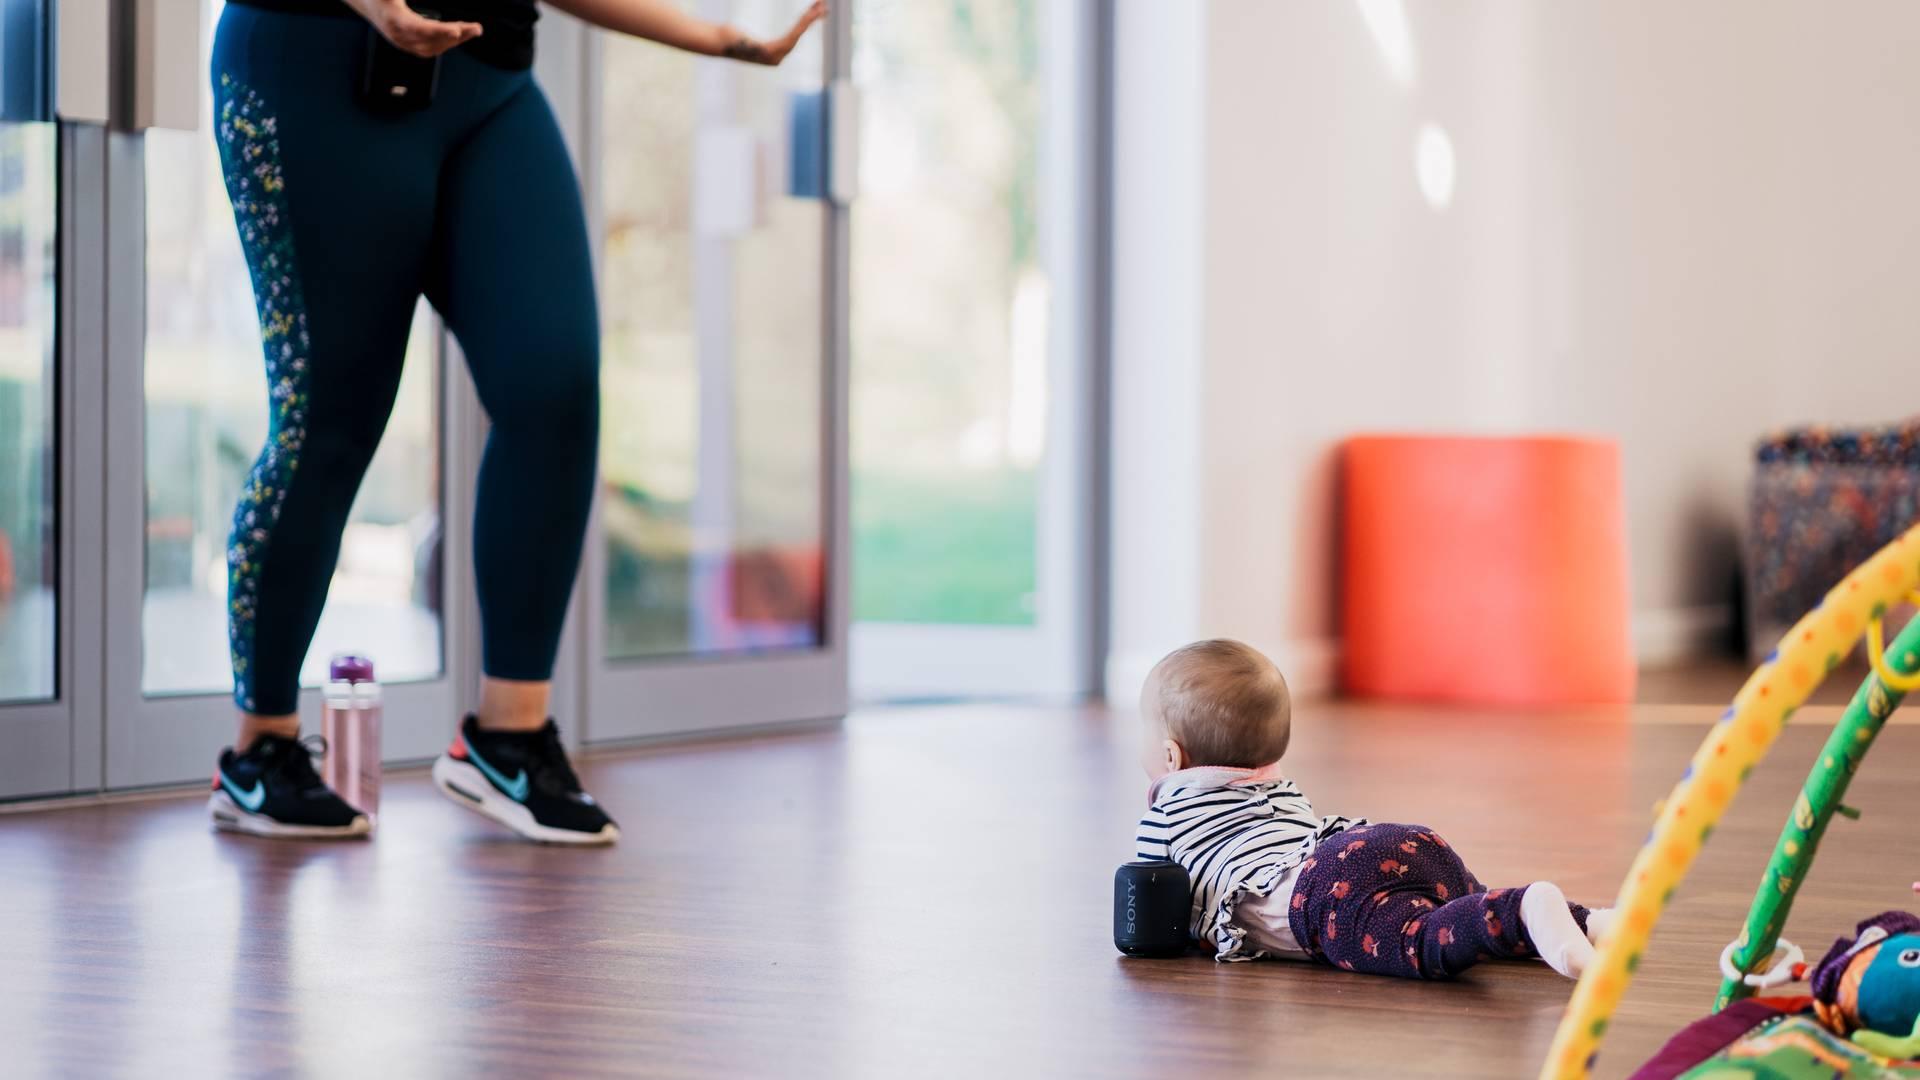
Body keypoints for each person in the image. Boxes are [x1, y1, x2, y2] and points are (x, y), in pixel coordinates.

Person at [204, 0, 827, 843]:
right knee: (331, 419)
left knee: (555, 387)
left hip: (490, 86)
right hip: (312, 60)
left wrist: (716, 35)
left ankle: (507, 736)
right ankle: (261, 750)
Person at [1131, 639, 1613, 978]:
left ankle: (1526, 907)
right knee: (1462, 900)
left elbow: (1150, 910)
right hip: (1378, 843)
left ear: (1172, 757)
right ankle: (1588, 921)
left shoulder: (1167, 818)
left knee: (1421, 939)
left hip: (1324, 895)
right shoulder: (1279, 790)